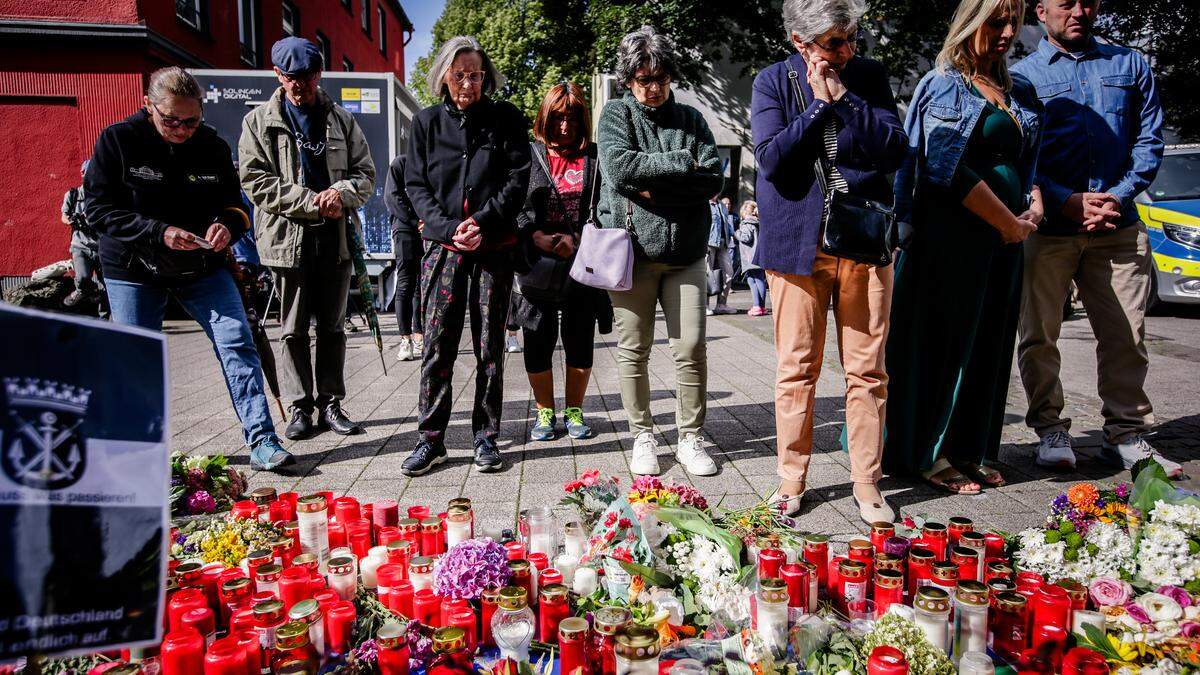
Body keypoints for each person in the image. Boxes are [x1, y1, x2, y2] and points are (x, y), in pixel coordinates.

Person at [84, 66, 291, 470]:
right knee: (137, 357)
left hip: (201, 264)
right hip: (133, 267)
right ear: (148, 107)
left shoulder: (211, 145)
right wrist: (157, 232)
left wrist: (226, 227)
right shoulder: (118, 140)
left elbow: (238, 206)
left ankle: (263, 442)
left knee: (237, 340)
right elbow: (98, 210)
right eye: (170, 120)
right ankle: (139, 452)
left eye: (191, 121)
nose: (181, 129)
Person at [751, 0, 907, 522]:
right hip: (797, 245)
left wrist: (844, 99)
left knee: (867, 373)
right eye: (834, 43)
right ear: (801, 42)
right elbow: (773, 160)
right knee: (797, 369)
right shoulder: (773, 81)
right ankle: (791, 481)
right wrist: (818, 106)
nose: (847, 51)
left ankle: (867, 483)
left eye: (852, 39)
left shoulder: (867, 76)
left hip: (862, 243)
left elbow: (892, 149)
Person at [1012, 0, 1177, 476]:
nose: (1080, 11)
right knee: (1039, 335)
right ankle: (1050, 428)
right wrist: (1065, 200)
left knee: (1127, 334)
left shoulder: (1129, 63)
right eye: (1067, 3)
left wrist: (1118, 196)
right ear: (1042, 11)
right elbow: (1023, 150)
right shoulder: (1023, 76)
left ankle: (1127, 434)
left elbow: (1149, 140)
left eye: (1089, 1)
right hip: (1050, 230)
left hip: (1118, 227)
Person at [885, 0, 1044, 494]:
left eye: (1013, 22)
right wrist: (1006, 221)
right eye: (996, 21)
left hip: (1006, 240)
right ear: (970, 22)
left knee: (989, 344)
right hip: (952, 237)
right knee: (944, 344)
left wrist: (1033, 207)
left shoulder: (1018, 90)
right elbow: (943, 169)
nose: (1007, 32)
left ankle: (971, 447)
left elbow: (1029, 164)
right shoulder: (944, 84)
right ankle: (928, 453)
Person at [401, 36, 531, 476]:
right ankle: (430, 439)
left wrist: (484, 222)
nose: (468, 83)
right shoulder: (425, 124)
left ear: (485, 77)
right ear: (444, 76)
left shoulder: (506, 119)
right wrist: (446, 228)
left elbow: (518, 178)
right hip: (443, 249)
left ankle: (486, 436)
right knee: (437, 344)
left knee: (490, 345)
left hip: (493, 247)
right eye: (459, 75)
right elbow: (415, 185)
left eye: (475, 75)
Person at [599, 26, 724, 477]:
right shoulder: (616, 115)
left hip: (687, 254)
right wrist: (678, 165)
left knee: (690, 346)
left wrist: (653, 188)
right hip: (632, 254)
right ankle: (643, 435)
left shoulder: (691, 120)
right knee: (634, 348)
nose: (652, 88)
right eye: (642, 78)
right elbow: (617, 168)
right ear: (628, 80)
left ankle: (690, 436)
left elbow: (713, 178)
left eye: (660, 77)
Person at [239, 37, 375, 441]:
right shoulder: (259, 121)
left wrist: (343, 193)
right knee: (294, 329)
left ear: (319, 74)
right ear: (277, 75)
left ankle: (330, 402)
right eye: (290, 77)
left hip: (336, 238)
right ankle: (299, 408)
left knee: (333, 328)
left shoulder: (342, 119)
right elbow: (255, 181)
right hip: (287, 240)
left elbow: (366, 174)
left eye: (307, 77)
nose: (299, 86)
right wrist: (311, 202)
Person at [514, 82, 612, 442]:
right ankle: (544, 413)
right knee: (537, 339)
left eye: (572, 118)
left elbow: (606, 208)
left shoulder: (595, 158)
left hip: (581, 263)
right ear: (545, 117)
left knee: (580, 338)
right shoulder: (528, 155)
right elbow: (514, 206)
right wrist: (535, 236)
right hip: (536, 263)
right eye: (557, 118)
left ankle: (574, 411)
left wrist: (579, 240)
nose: (565, 127)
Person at [383, 154, 424, 362]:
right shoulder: (401, 163)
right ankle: (405, 338)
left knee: (421, 285)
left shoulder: (427, 161)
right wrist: (414, 220)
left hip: (427, 228)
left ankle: (419, 335)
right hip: (405, 229)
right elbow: (391, 196)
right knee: (406, 283)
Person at [61, 160, 106, 311]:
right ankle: (84, 291)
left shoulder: (103, 195)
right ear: (82, 173)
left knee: (107, 284)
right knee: (82, 277)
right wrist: (72, 221)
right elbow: (63, 216)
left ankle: (105, 319)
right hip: (80, 245)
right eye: (90, 172)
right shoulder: (73, 195)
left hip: (101, 246)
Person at [736, 200, 767, 316]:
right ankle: (762, 306)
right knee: (759, 280)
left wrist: (736, 233)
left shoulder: (747, 223)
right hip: (759, 256)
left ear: (745, 213)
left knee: (752, 281)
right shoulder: (758, 222)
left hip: (750, 257)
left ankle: (756, 306)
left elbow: (746, 238)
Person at [706, 195, 737, 315]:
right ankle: (705, 305)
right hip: (709, 242)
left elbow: (727, 225)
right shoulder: (704, 204)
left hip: (724, 243)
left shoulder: (722, 205)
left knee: (729, 273)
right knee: (708, 274)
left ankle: (721, 304)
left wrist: (736, 235)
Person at [721, 195, 743, 283]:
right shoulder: (720, 214)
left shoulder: (734, 215)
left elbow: (738, 228)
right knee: (726, 264)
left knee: (733, 262)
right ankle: (725, 283)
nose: (727, 206)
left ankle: (729, 283)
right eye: (725, 204)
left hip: (734, 243)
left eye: (729, 204)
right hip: (723, 243)